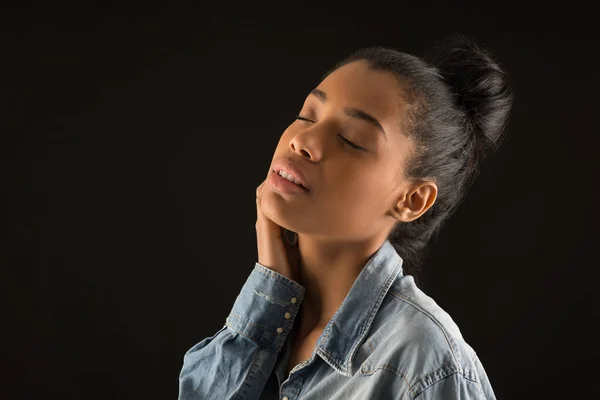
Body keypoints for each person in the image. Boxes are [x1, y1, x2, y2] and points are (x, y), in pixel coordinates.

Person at [178, 34, 512, 399]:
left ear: (412, 199)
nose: (302, 140)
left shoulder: (424, 362)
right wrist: (269, 293)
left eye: (351, 139)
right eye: (307, 114)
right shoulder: (267, 327)